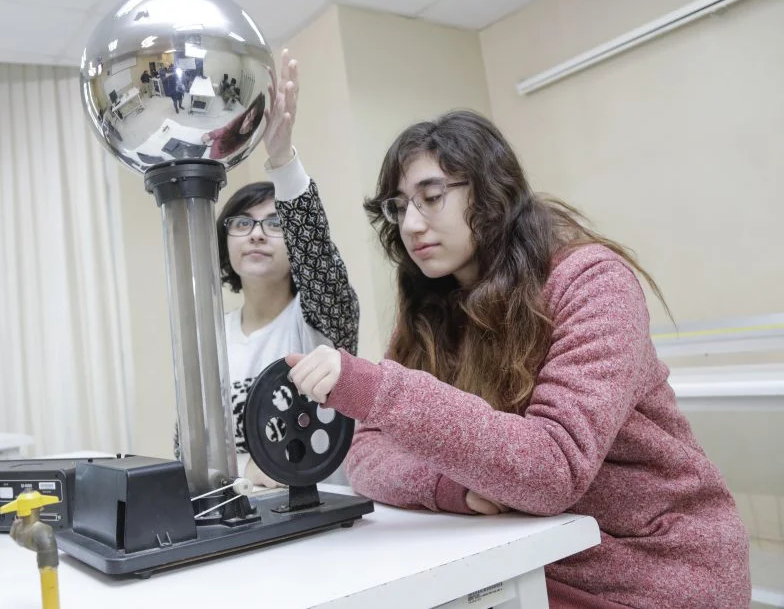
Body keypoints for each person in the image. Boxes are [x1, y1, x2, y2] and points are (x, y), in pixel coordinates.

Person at [284, 110, 750, 607]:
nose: (411, 224)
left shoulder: (592, 283)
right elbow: (365, 453)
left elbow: (553, 469)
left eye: (433, 197)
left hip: (648, 571)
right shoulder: (429, 310)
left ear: (489, 191)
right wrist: (447, 487)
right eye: (399, 208)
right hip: (521, 558)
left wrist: (379, 390)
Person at [175, 50, 359, 489]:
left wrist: (281, 157)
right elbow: (189, 450)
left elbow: (320, 259)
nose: (256, 234)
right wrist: (244, 473)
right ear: (226, 242)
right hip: (234, 517)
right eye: (242, 223)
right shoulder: (209, 338)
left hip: (324, 520)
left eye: (274, 224)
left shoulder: (318, 322)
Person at [202, 92, 264, 161]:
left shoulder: (248, 140)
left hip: (224, 157)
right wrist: (211, 135)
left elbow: (235, 154)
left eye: (251, 123)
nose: (246, 124)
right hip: (220, 144)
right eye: (249, 116)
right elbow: (226, 129)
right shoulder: (241, 117)